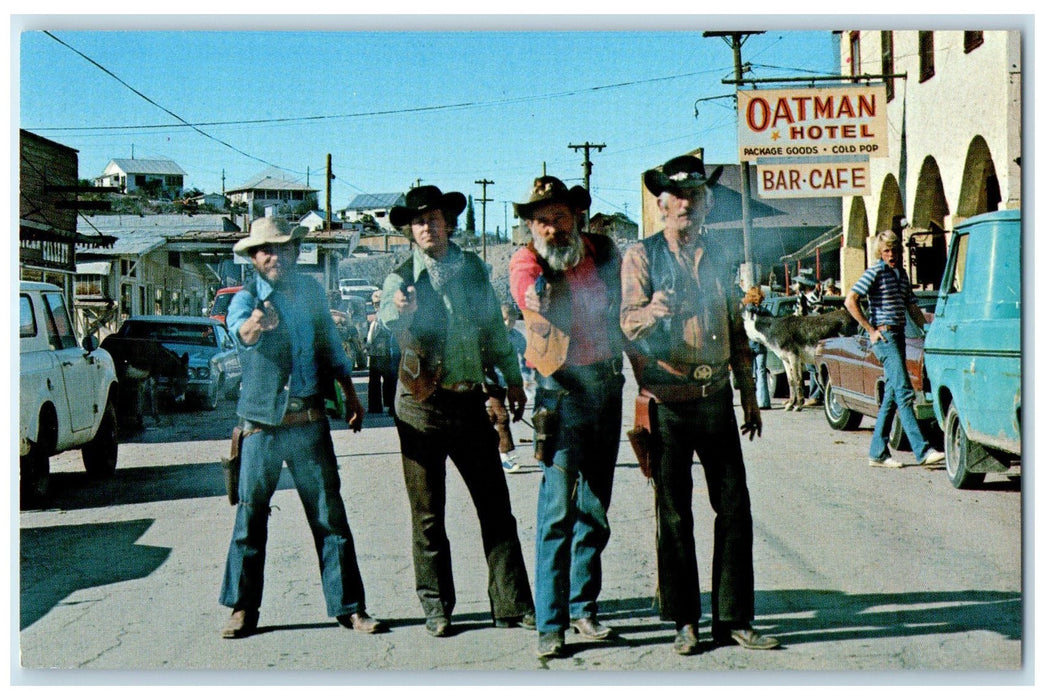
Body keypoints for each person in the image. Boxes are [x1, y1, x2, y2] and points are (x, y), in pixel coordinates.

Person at [621, 154, 779, 655]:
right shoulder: (640, 256)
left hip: (716, 399)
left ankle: (734, 618)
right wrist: (651, 311)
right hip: (667, 398)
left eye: (697, 196)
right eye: (679, 197)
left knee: (735, 508)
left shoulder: (720, 253)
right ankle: (684, 620)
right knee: (674, 514)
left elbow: (736, 328)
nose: (688, 205)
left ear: (707, 205)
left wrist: (750, 396)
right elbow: (625, 322)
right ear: (662, 204)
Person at [378, 185, 535, 638]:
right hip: (421, 409)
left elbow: (494, 330)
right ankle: (436, 606)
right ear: (410, 229)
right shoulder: (402, 275)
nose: (428, 226)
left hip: (469, 402)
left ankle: (511, 604)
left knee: (496, 508)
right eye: (419, 220)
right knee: (428, 515)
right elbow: (389, 316)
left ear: (449, 222)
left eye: (435, 218)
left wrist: (510, 378)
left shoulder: (471, 272)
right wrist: (398, 309)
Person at [218, 217, 385, 639]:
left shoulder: (311, 293)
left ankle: (350, 608)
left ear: (295, 252)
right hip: (262, 427)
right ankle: (242, 609)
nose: (274, 256)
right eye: (264, 250)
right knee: (250, 520)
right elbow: (242, 333)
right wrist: (259, 324)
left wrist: (350, 393)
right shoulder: (248, 297)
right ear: (254, 258)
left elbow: (330, 344)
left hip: (309, 423)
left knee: (330, 517)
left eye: (281, 248)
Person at [509, 175, 625, 659]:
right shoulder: (527, 261)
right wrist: (534, 300)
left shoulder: (601, 252)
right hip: (559, 391)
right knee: (556, 510)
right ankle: (550, 625)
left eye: (558, 218)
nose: (551, 229)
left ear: (576, 217)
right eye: (541, 221)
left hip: (605, 384)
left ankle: (583, 607)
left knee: (595, 507)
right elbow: (527, 294)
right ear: (531, 227)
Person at [844, 229, 946, 469]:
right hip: (885, 336)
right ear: (880, 252)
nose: (892, 254)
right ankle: (922, 450)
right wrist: (870, 329)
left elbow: (911, 305)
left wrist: (926, 328)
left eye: (895, 250)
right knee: (903, 390)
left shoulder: (900, 275)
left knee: (891, 395)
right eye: (887, 250)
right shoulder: (875, 272)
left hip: (899, 335)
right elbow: (850, 300)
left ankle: (877, 452)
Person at [490, 303, 529, 473]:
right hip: (491, 383)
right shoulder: (491, 338)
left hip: (509, 382)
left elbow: (526, 358)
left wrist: (526, 379)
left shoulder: (517, 337)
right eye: (504, 320)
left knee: (491, 417)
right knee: (502, 416)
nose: (507, 324)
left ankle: (484, 446)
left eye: (510, 320)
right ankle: (504, 454)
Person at [366, 290, 397, 416]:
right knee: (387, 379)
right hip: (384, 351)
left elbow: (372, 335)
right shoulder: (389, 313)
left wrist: (367, 346)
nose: (375, 306)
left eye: (377, 303)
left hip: (380, 351)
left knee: (377, 380)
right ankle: (387, 404)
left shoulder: (381, 316)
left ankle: (379, 406)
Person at [742, 286, 772, 410]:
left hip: (748, 345)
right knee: (761, 372)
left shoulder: (745, 311)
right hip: (760, 345)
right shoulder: (765, 312)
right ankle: (763, 402)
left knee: (748, 375)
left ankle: (749, 403)